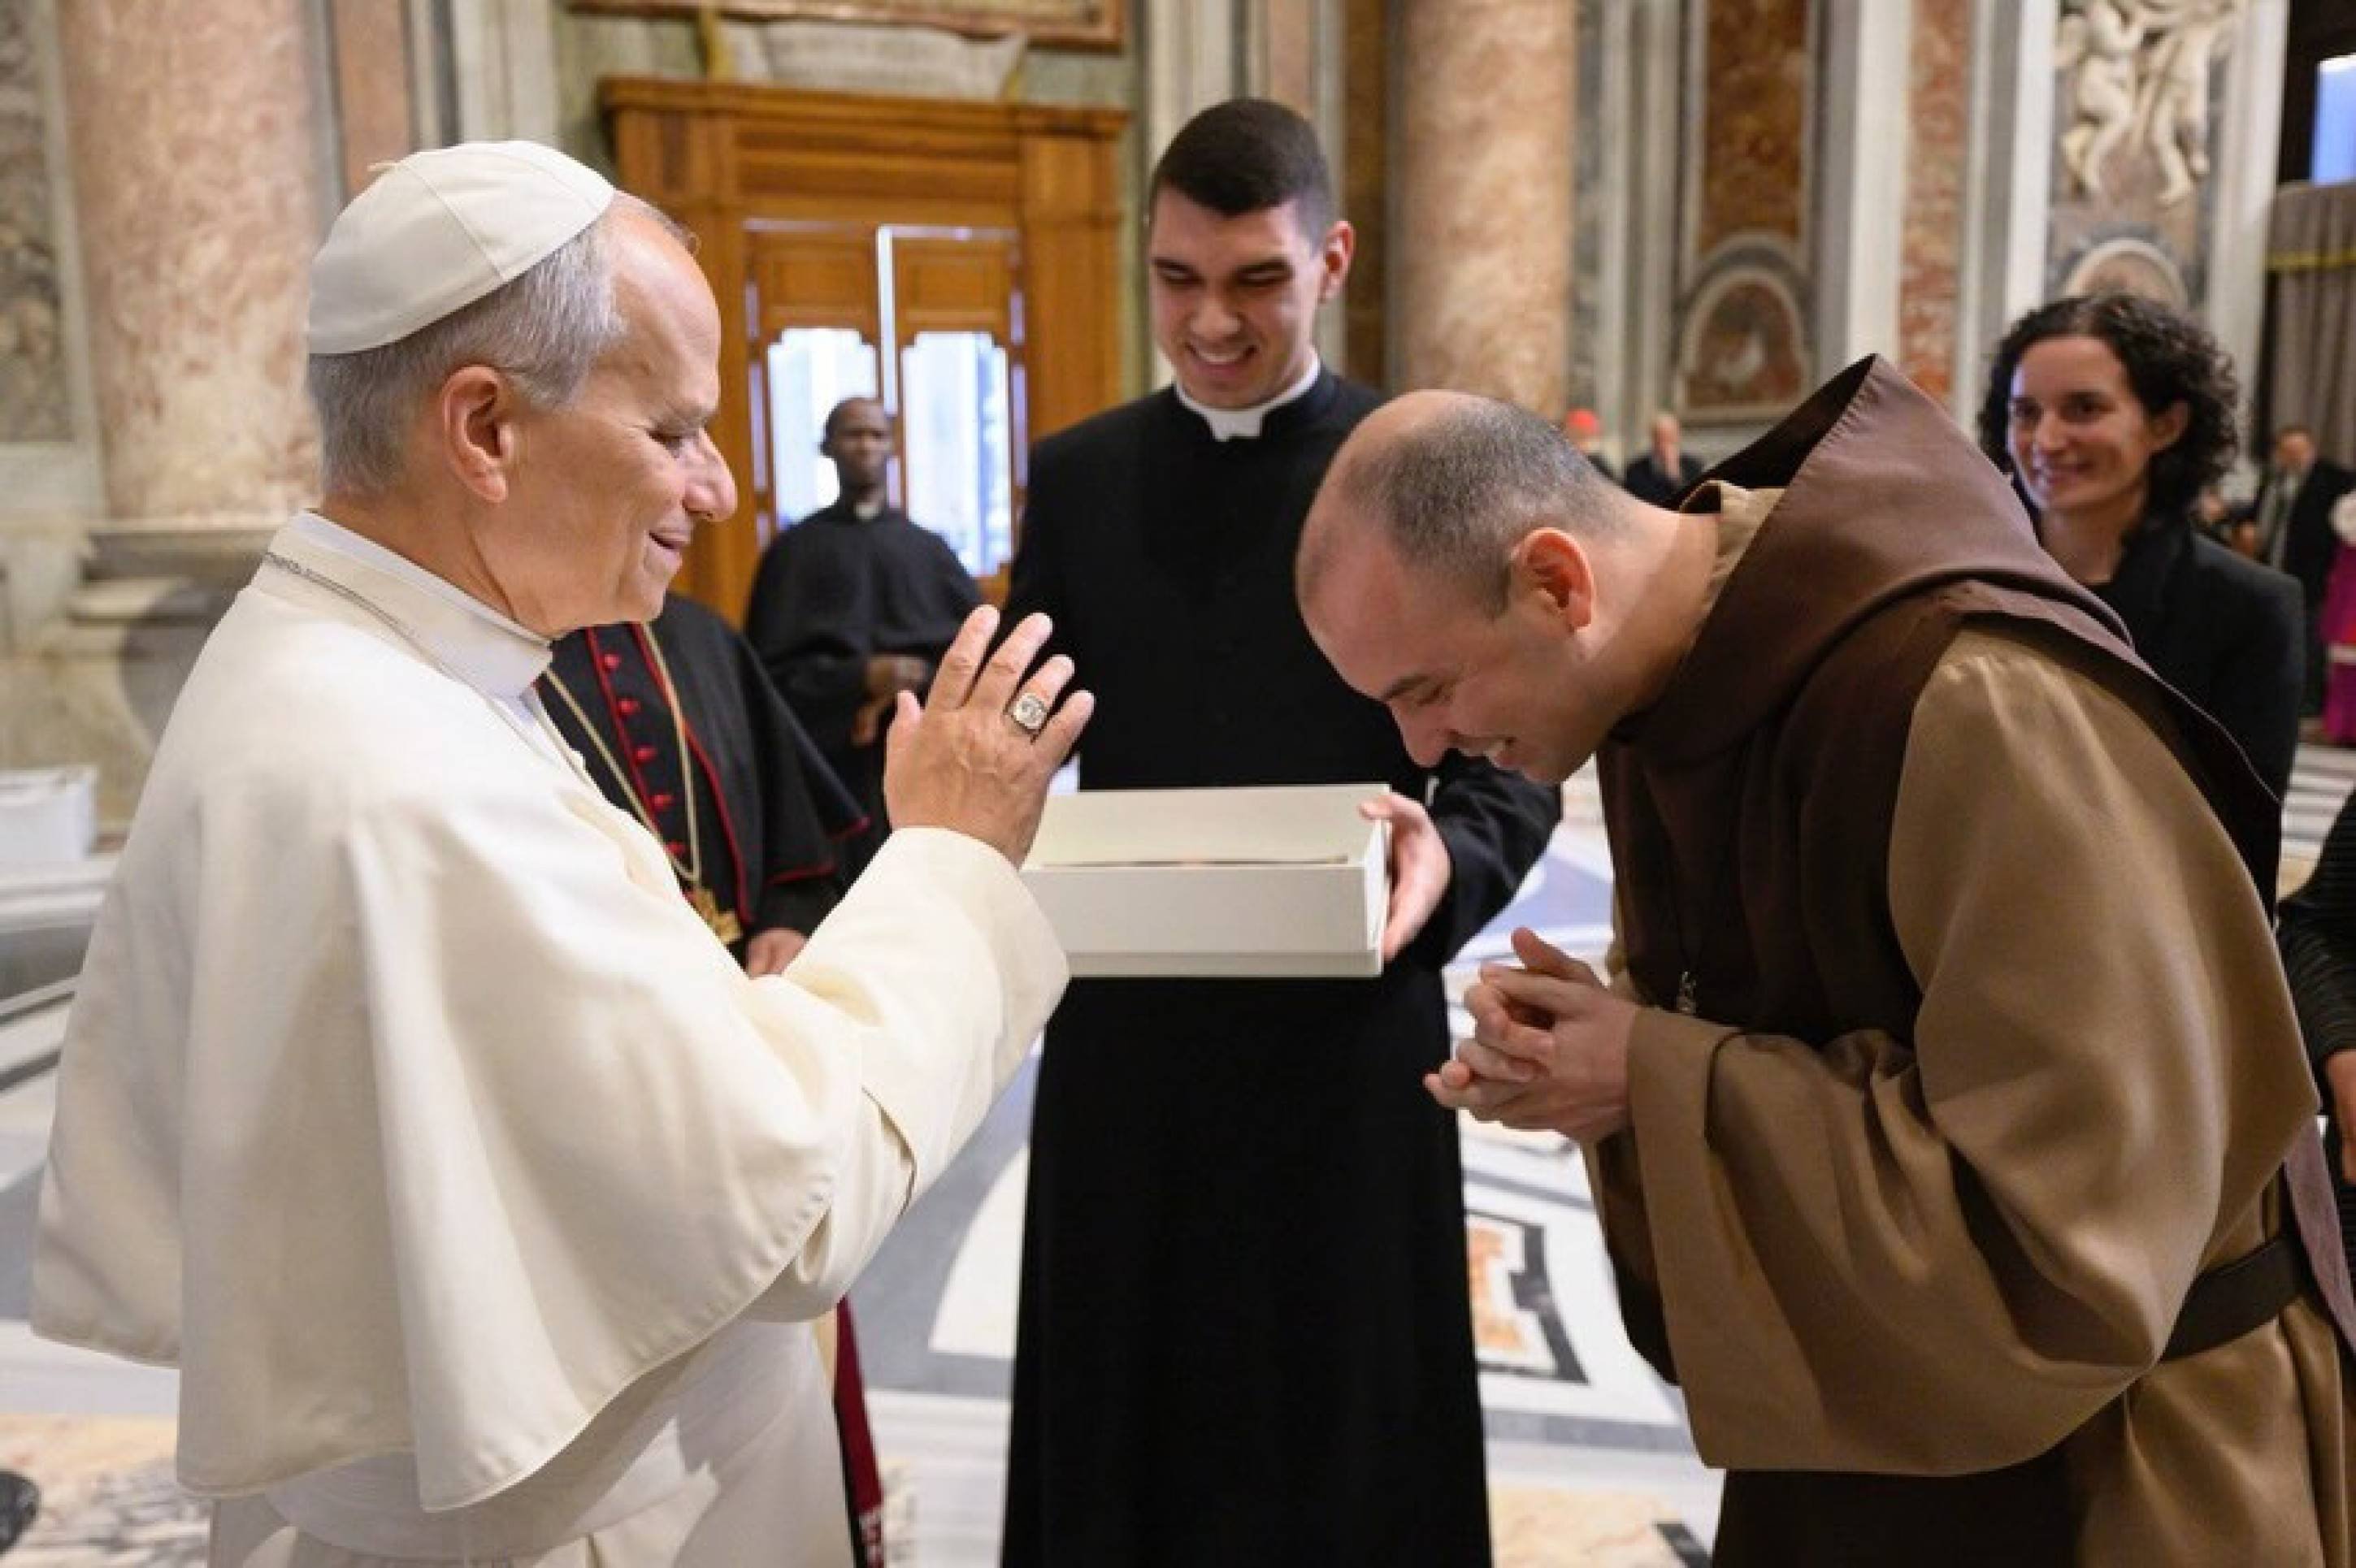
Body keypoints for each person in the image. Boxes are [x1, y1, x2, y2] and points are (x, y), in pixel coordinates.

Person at [30, 141, 1091, 1567]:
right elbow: (794, 1194)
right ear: (483, 428)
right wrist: (952, 862)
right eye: (671, 430)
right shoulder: (410, 773)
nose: (713, 489)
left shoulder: (343, 662)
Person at [1295, 358, 2356, 1563]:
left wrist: (1654, 1073)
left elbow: (2075, 1227)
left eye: (1426, 688)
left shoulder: (1975, 694)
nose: (1421, 745)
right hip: (1875, 1450)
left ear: (1554, 580)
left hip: (2118, 1464)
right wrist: (1604, 1045)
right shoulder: (1674, 682)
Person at [998, 98, 1559, 1566]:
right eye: (1176, 279)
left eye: (1253, 278)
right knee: (1130, 1415)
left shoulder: (1416, 468)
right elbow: (1030, 716)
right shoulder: (1078, 477)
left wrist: (1449, 866)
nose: (1210, 323)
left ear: (1330, 261)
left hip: (1342, 1027)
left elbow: (1524, 748)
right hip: (1130, 1043)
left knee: (1340, 1425)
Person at [540, 594, 886, 1562]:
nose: (704, 494)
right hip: (615, 1082)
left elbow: (797, 844)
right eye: (668, 439)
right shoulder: (486, 674)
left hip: (747, 1042)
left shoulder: (696, 639)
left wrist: (788, 916)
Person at [1979, 293, 2302, 803]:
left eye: (2083, 409)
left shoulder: (2247, 609)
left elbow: (2241, 837)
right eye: (2025, 413)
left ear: (2166, 425)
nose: (2046, 439)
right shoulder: (1966, 581)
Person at [743, 396, 982, 877]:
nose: (865, 446)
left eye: (876, 435)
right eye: (852, 435)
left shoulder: (929, 551)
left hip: (923, 766)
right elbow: (763, 679)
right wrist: (857, 679)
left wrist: (911, 680)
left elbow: (976, 657)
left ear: (893, 446)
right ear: (827, 447)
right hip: (828, 768)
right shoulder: (793, 553)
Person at [2255, 424, 2356, 712]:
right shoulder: (2273, 480)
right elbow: (2260, 514)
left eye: (2298, 451)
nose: (2293, 457)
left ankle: (2309, 703)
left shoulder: (2334, 479)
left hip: (2315, 578)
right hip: (2273, 567)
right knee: (2274, 638)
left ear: (2310, 449)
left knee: (2312, 643)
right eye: (2287, 452)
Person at [1619, 409, 1705, 506]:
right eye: (1662, 438)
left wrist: (1675, 476)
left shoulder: (1693, 466)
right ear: (1653, 438)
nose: (1666, 444)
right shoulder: (1635, 470)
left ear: (1678, 437)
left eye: (1670, 438)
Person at [1561, 405, 1616, 483]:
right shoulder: (1557, 462)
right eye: (1576, 435)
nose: (1579, 443)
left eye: (1584, 436)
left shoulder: (1600, 468)